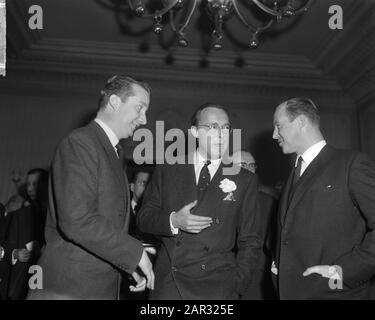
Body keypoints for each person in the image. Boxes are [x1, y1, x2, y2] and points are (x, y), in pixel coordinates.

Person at [27, 75, 154, 300]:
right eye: (139, 108)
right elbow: (77, 221)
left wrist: (127, 263)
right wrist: (135, 253)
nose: (144, 119)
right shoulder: (81, 142)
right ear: (114, 102)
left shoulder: (114, 152)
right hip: (67, 290)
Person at [137, 103, 263, 299]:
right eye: (213, 127)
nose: (221, 134)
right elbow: (144, 218)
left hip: (218, 288)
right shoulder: (168, 169)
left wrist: (237, 283)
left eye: (226, 128)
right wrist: (174, 221)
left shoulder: (244, 179)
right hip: (171, 285)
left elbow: (250, 241)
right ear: (195, 132)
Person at [272, 97, 375, 299]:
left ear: (301, 122)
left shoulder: (352, 164)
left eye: (278, 125)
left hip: (335, 293)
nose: (274, 135)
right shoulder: (293, 174)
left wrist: (345, 270)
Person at [231, 150, 278, 300]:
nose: (249, 169)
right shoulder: (214, 201)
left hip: (255, 284)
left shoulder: (269, 203)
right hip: (218, 280)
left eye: (252, 165)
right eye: (242, 165)